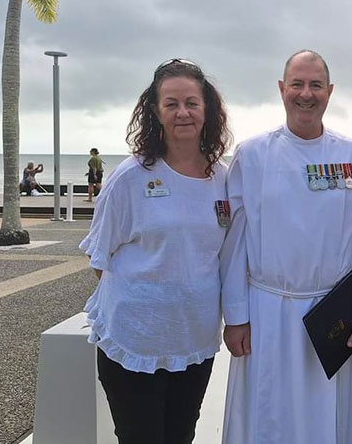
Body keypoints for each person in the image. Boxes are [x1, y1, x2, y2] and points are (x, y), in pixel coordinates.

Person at [220, 50, 352, 444]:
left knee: (328, 423)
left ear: (329, 92)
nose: (305, 94)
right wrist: (236, 315)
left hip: (333, 316)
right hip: (267, 313)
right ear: (282, 89)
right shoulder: (252, 155)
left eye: (315, 85)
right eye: (297, 84)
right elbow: (234, 243)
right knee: (267, 418)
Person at [79, 59, 233, 444]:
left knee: (181, 436)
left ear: (207, 109)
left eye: (192, 103)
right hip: (136, 342)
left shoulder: (224, 179)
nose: (183, 112)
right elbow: (100, 257)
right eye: (172, 103)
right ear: (155, 111)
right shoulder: (130, 178)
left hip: (193, 343)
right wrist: (147, 298)